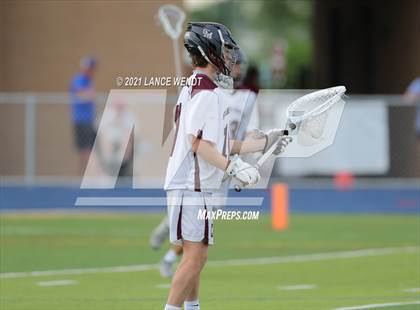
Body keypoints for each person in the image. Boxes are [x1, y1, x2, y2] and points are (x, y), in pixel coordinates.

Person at [163, 22, 290, 310]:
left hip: (193, 184)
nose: (230, 57)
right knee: (196, 257)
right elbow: (197, 143)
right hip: (191, 185)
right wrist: (232, 168)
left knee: (195, 255)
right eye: (225, 49)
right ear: (209, 52)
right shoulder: (205, 93)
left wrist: (264, 143)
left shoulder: (199, 88)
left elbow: (220, 144)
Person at [149, 50, 260, 278]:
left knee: (202, 234)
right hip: (206, 165)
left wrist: (257, 149)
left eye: (238, 65)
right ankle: (170, 255)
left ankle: (169, 234)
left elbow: (251, 134)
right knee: (198, 238)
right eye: (233, 64)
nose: (236, 69)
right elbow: (194, 136)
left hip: (226, 159)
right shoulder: (210, 92)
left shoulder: (248, 97)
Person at [69, 56, 97, 174]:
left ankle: (81, 175)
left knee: (85, 150)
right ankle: (92, 175)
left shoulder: (88, 81)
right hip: (82, 121)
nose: (92, 71)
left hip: (88, 120)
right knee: (86, 150)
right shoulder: (79, 80)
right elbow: (81, 95)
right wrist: (89, 95)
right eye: (90, 68)